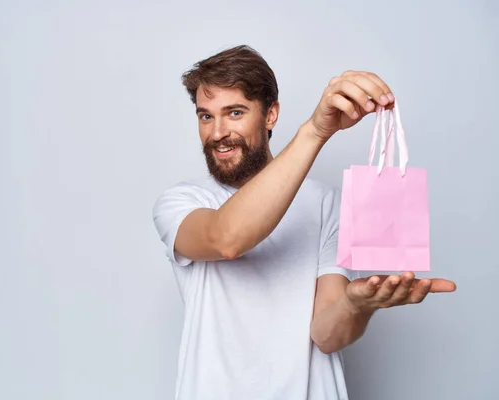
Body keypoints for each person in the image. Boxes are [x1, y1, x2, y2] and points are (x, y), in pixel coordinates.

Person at [152, 45, 456, 400]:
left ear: (271, 115)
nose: (218, 132)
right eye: (206, 116)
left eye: (234, 113)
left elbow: (327, 335)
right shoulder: (181, 202)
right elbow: (226, 238)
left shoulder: (326, 203)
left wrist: (356, 306)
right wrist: (315, 131)